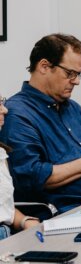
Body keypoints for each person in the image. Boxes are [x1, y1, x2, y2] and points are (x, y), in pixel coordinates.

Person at [0, 34, 81, 213]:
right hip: (70, 214)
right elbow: (32, 177)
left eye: (79, 74)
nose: (76, 81)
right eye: (70, 74)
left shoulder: (73, 108)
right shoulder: (17, 114)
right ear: (44, 67)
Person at [0, 94, 41, 240]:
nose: (5, 110)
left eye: (2, 102)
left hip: (6, 235)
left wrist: (24, 221)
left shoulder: (1, 152)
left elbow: (4, 207)